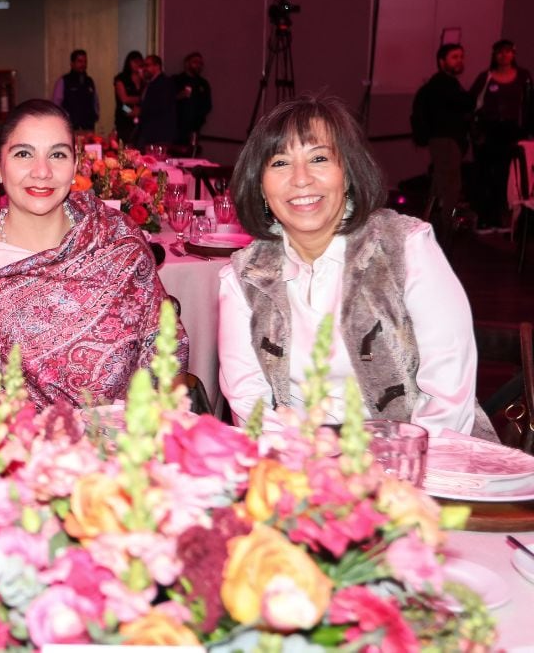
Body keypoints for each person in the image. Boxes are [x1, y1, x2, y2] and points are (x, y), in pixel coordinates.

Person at [218, 95, 495, 440]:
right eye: (280, 163)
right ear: (260, 187)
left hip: (415, 466)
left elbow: (448, 397)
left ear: (347, 173)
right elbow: (251, 410)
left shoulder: (406, 248)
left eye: (319, 158)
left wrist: (391, 473)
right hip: (301, 470)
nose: (301, 179)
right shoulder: (243, 278)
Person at [0, 99, 187, 410]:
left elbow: (164, 350)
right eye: (23, 154)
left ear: (74, 167)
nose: (41, 171)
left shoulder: (117, 239)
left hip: (132, 441)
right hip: (27, 450)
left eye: (57, 154)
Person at [468, 39, 534, 231]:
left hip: (513, 131)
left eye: (507, 52)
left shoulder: (524, 76)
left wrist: (528, 131)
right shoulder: (486, 77)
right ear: (494, 55)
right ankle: (485, 218)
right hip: (489, 131)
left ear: (513, 54)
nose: (504, 56)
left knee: (507, 175)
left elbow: (529, 106)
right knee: (486, 174)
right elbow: (471, 103)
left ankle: (502, 217)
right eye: (499, 52)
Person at [411, 43, 472, 243]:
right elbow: (465, 104)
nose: (459, 61)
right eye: (454, 57)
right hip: (447, 140)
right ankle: (447, 232)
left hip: (443, 140)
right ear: (442, 61)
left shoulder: (439, 85)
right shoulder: (443, 85)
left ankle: (428, 229)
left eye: (461, 57)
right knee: (452, 185)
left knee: (439, 182)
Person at [52, 49, 99, 132]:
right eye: (80, 61)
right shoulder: (63, 81)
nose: (83, 64)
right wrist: (66, 117)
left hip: (88, 126)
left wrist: (95, 115)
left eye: (85, 61)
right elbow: (56, 104)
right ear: (72, 63)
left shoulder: (89, 81)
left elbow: (95, 101)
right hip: (70, 126)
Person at [173, 51, 212, 145]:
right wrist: (178, 97)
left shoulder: (203, 83)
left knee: (191, 153)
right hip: (176, 126)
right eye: (195, 62)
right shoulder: (176, 80)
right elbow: (166, 101)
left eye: (201, 63)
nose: (198, 65)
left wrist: (199, 119)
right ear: (187, 63)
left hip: (194, 128)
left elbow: (208, 105)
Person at [138, 55, 177, 149]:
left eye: (147, 65)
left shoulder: (164, 83)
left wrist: (141, 111)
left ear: (157, 66)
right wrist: (131, 110)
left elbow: (162, 106)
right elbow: (123, 104)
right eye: (143, 66)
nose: (144, 69)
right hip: (143, 128)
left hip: (159, 132)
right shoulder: (149, 84)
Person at [113, 51, 144, 146]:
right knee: (125, 143)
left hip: (140, 114)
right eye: (134, 62)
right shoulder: (121, 78)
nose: (137, 64)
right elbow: (124, 99)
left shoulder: (144, 79)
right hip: (124, 110)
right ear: (129, 62)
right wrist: (140, 99)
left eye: (139, 62)